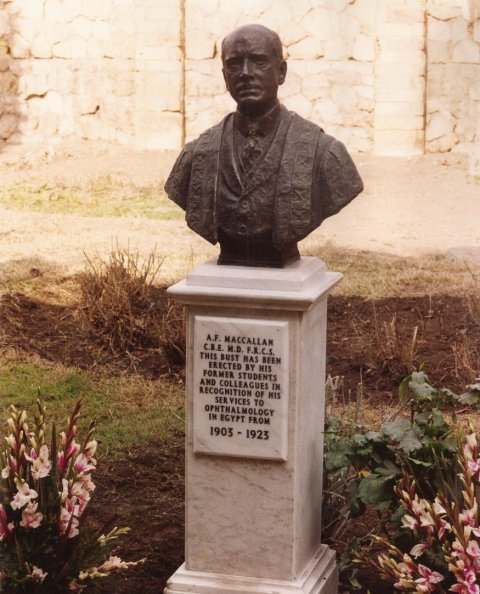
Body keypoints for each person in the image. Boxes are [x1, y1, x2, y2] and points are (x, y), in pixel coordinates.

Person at [165, 24, 363, 267]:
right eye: (234, 64)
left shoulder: (324, 154)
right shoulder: (196, 155)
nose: (245, 73)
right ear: (225, 77)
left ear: (281, 72)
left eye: (258, 61)